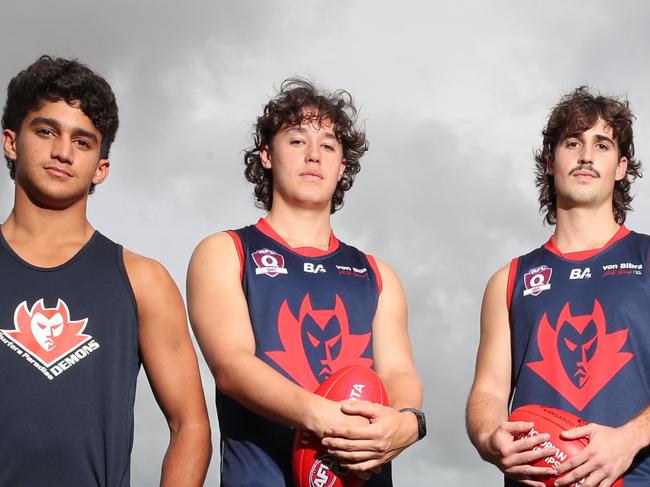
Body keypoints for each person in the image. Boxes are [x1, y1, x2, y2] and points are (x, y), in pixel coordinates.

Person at [187, 78, 425, 486]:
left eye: (329, 146)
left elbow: (399, 373)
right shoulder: (226, 252)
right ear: (266, 154)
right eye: (297, 141)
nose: (314, 155)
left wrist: (406, 423)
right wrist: (325, 418)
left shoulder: (377, 274)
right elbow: (232, 367)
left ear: (342, 167)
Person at [0, 55, 211, 486]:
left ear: (101, 168)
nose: (62, 151)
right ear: (11, 142)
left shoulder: (142, 281)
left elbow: (191, 427)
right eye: (46, 131)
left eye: (82, 141)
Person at [466, 86, 650, 487]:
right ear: (550, 162)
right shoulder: (509, 280)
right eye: (573, 142)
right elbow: (488, 393)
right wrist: (489, 436)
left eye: (601, 145)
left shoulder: (646, 259)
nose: (586, 155)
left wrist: (629, 439)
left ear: (621, 167)